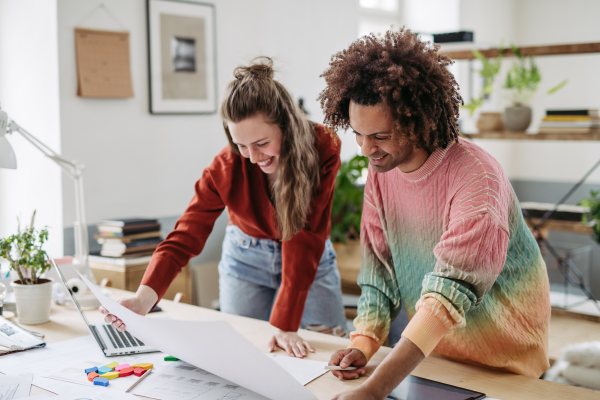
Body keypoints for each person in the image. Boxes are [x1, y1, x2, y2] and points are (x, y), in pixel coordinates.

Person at [318, 28, 550, 399]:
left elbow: (447, 298)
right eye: (358, 134)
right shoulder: (382, 173)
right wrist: (363, 344)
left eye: (379, 135)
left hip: (505, 370)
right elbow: (380, 270)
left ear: (415, 120)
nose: (366, 150)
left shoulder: (478, 179)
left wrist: (375, 389)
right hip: (434, 360)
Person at [101, 57, 347, 358]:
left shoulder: (323, 147)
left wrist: (285, 323)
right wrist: (143, 298)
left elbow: (305, 236)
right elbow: (185, 234)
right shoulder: (227, 166)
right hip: (244, 260)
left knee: (327, 356)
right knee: (245, 357)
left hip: (309, 261)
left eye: (261, 143)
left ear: (286, 125)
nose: (253, 158)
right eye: (241, 145)